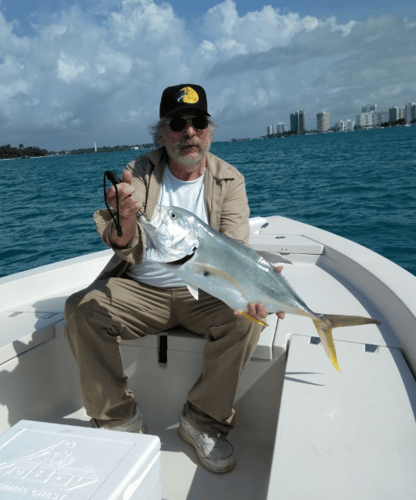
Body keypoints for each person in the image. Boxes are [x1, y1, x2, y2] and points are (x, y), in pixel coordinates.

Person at [65, 83, 284, 474]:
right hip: (143, 288)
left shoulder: (229, 180)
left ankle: (200, 421)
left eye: (198, 122)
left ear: (209, 130)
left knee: (249, 321)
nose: (189, 133)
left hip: (205, 290)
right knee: (82, 309)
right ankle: (118, 419)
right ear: (161, 133)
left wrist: (252, 283)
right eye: (178, 124)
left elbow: (233, 246)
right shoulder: (139, 172)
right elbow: (121, 243)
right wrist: (125, 218)